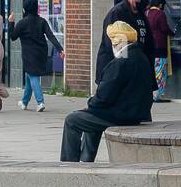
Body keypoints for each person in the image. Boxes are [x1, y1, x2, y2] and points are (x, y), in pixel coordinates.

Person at [60, 21, 154, 162]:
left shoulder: (120, 62)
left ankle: (69, 163)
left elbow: (103, 97)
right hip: (138, 113)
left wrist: (91, 103)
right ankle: (86, 160)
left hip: (120, 116)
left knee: (73, 119)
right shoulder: (142, 58)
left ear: (117, 41)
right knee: (89, 117)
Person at [95, 0, 154, 84]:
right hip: (117, 73)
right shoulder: (117, 14)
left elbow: (148, 44)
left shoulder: (142, 15)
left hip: (137, 71)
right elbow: (117, 48)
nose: (147, 2)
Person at [8, 0, 62, 112]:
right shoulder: (42, 21)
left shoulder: (23, 23)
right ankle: (24, 102)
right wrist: (60, 49)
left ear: (25, 9)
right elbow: (51, 36)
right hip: (41, 53)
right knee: (29, 76)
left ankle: (40, 101)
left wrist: (11, 22)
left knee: (33, 76)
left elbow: (12, 37)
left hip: (29, 54)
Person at [145, 0, 171, 102]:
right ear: (160, 5)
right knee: (160, 71)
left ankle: (150, 94)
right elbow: (164, 28)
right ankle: (158, 95)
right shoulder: (160, 14)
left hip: (149, 47)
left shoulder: (146, 13)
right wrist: (173, 32)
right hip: (160, 47)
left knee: (151, 71)